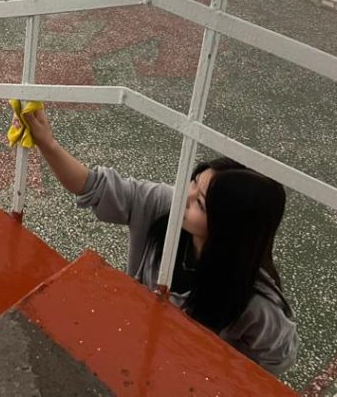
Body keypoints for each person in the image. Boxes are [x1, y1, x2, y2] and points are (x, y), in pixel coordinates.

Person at [23, 107, 299, 376]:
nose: (184, 197)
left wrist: (217, 371)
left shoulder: (255, 302)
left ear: (229, 227)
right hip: (133, 348)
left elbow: (277, 359)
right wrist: (47, 143)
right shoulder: (165, 206)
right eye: (193, 182)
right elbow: (93, 186)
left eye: (200, 204)